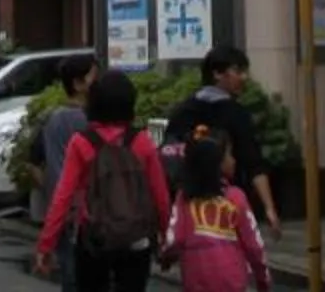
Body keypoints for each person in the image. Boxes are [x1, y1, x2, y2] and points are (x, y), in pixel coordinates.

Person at [35, 68, 171, 292]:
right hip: (136, 239)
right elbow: (161, 196)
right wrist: (166, 238)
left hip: (92, 238)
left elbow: (63, 196)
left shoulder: (81, 142)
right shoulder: (142, 141)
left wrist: (46, 244)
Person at [161, 46, 280, 240]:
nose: (244, 77)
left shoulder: (183, 111)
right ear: (217, 73)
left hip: (190, 206)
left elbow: (169, 155)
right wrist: (269, 209)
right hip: (229, 206)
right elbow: (254, 164)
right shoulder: (237, 114)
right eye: (238, 71)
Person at [160, 137, 270, 292]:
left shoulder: (184, 198)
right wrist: (262, 279)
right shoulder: (236, 197)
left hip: (196, 279)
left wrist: (166, 258)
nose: (233, 160)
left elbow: (175, 239)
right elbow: (254, 245)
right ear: (217, 164)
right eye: (229, 155)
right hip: (232, 280)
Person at [33, 57, 95, 289]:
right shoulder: (91, 122)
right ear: (78, 83)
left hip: (61, 210)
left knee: (71, 277)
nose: (97, 82)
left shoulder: (51, 117)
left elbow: (33, 161)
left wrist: (50, 189)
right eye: (93, 77)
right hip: (85, 213)